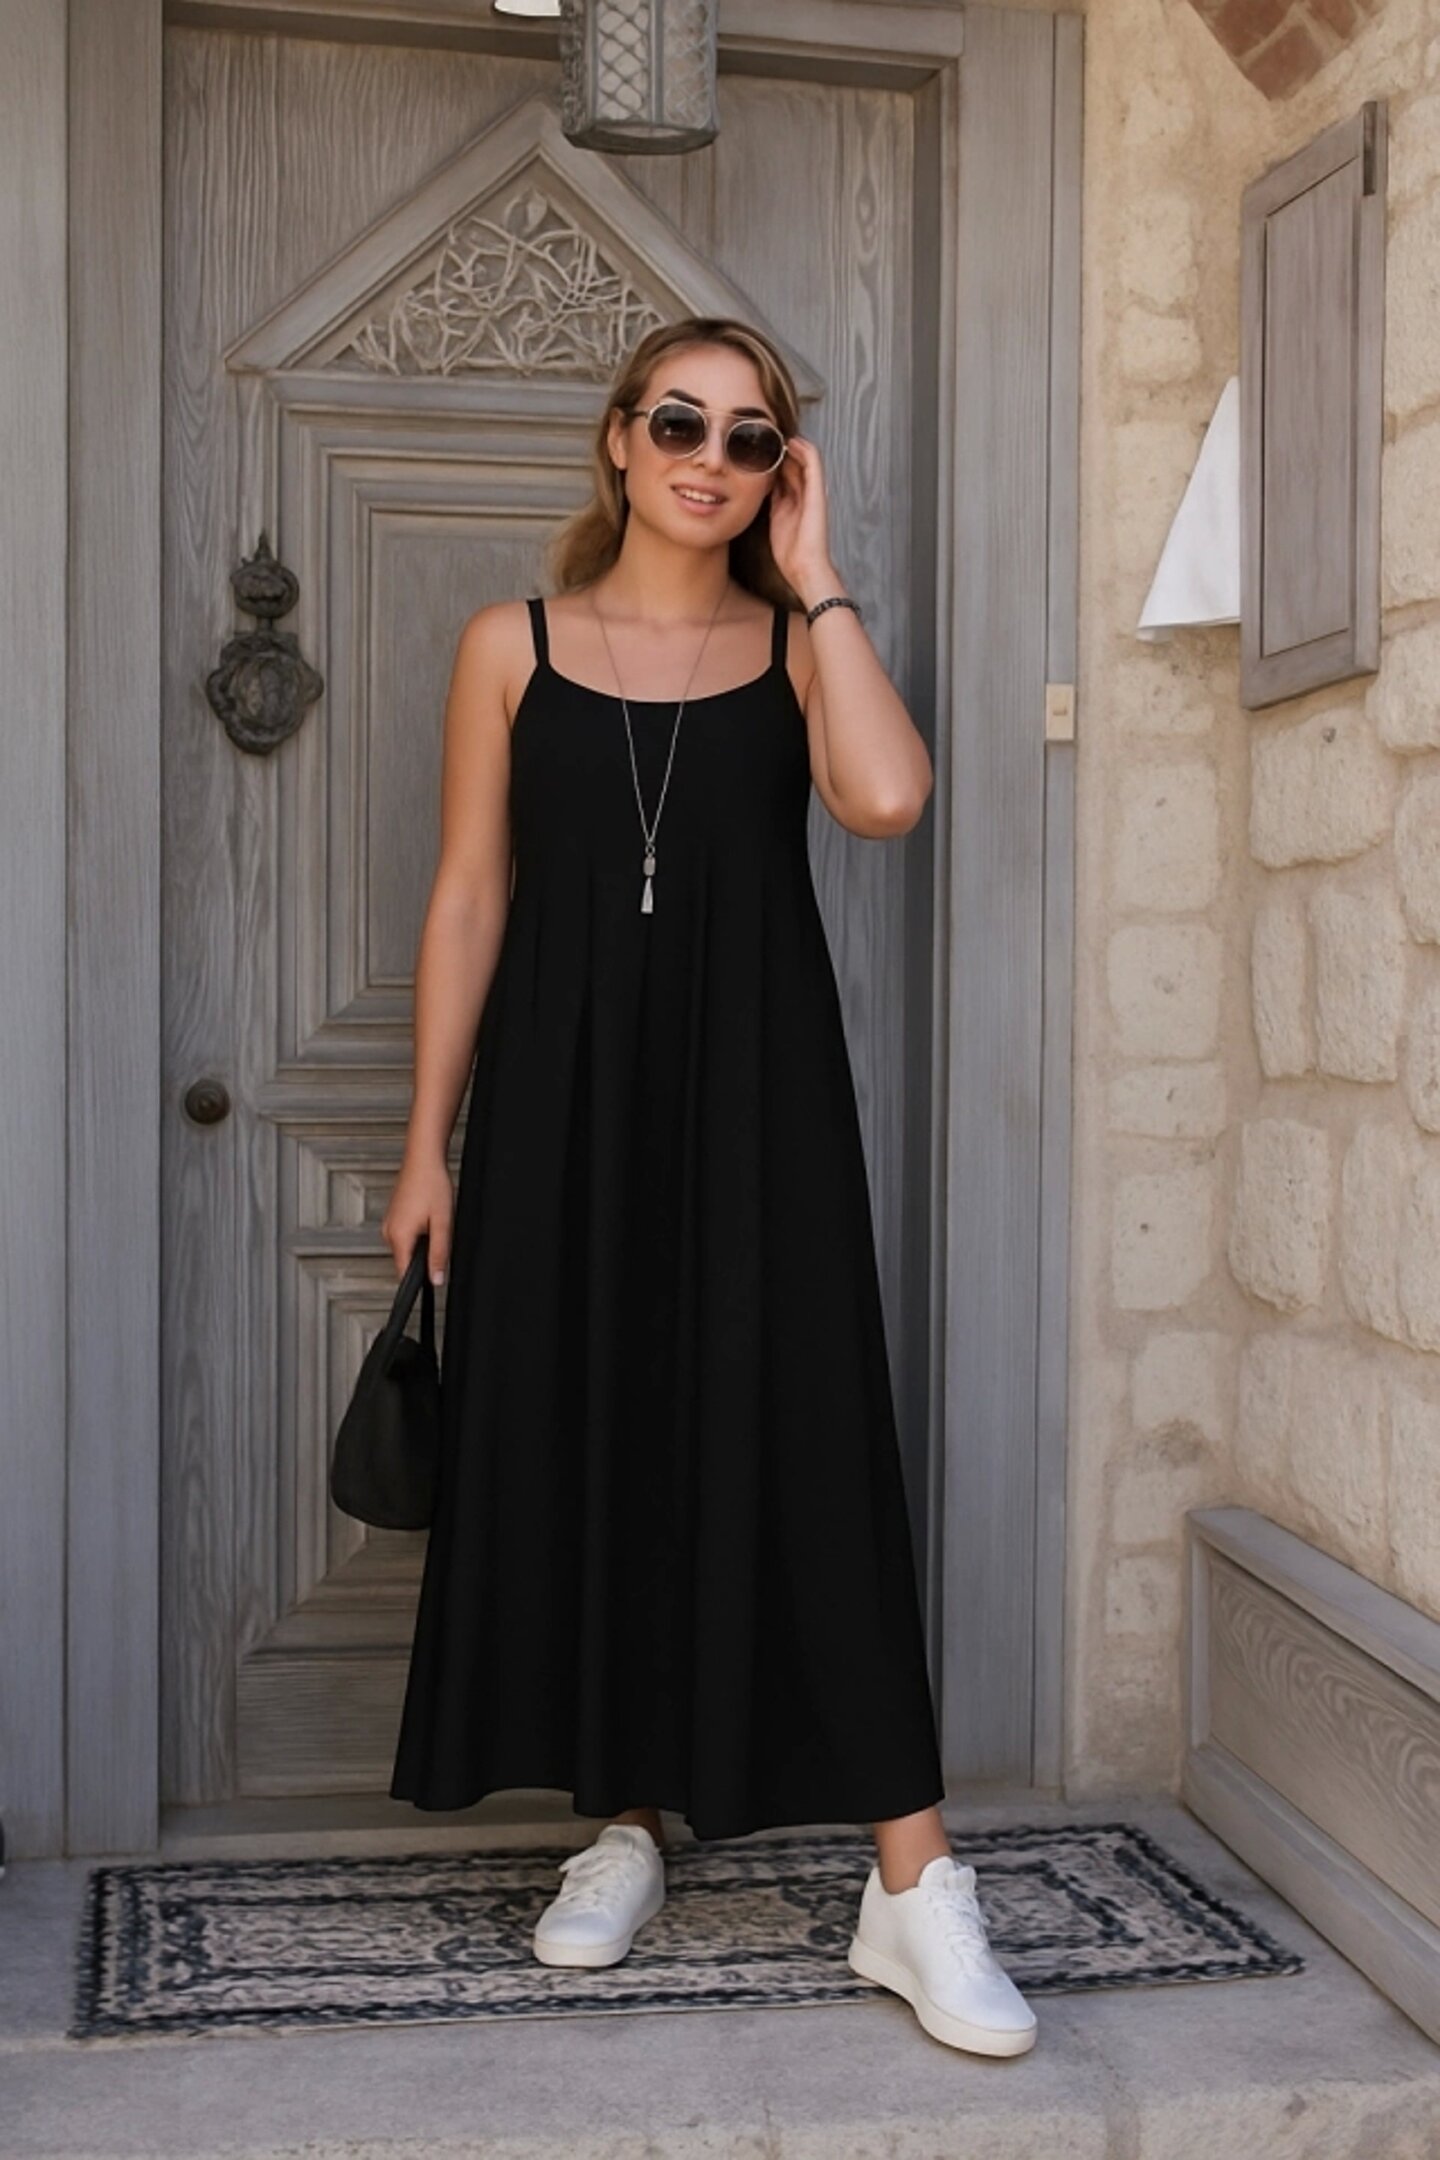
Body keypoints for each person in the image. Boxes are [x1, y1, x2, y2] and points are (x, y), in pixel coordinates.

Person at [381, 314, 1036, 2058]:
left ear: (777, 474)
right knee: (596, 1429)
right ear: (618, 438)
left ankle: (913, 1885)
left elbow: (886, 799)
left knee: (808, 1441)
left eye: (752, 439)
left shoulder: (798, 646)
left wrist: (820, 580)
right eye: (679, 422)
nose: (710, 458)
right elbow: (468, 896)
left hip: (763, 1107)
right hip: (558, 1107)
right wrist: (428, 1146)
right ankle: (625, 1822)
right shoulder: (509, 646)